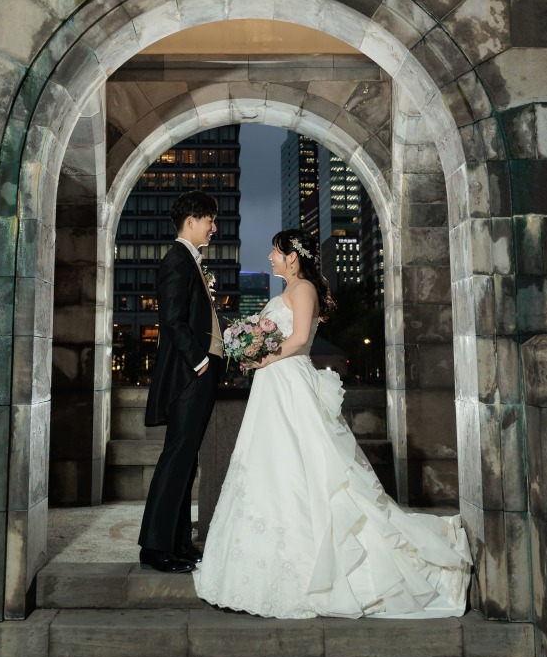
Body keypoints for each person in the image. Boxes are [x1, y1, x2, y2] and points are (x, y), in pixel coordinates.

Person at [194, 228, 472, 618]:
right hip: (273, 387)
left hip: (290, 383)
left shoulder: (303, 289)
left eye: (275, 252)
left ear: (292, 257)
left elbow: (301, 337)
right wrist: (253, 348)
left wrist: (264, 358)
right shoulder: (285, 291)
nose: (271, 258)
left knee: (306, 466)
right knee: (267, 467)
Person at [138, 190, 223, 573]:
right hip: (188, 377)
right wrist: (201, 361)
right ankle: (155, 549)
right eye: (210, 220)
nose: (214, 227)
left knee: (186, 464)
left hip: (198, 375)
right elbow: (172, 320)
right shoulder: (177, 260)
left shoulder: (190, 260)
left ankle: (179, 544)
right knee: (176, 461)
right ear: (192, 221)